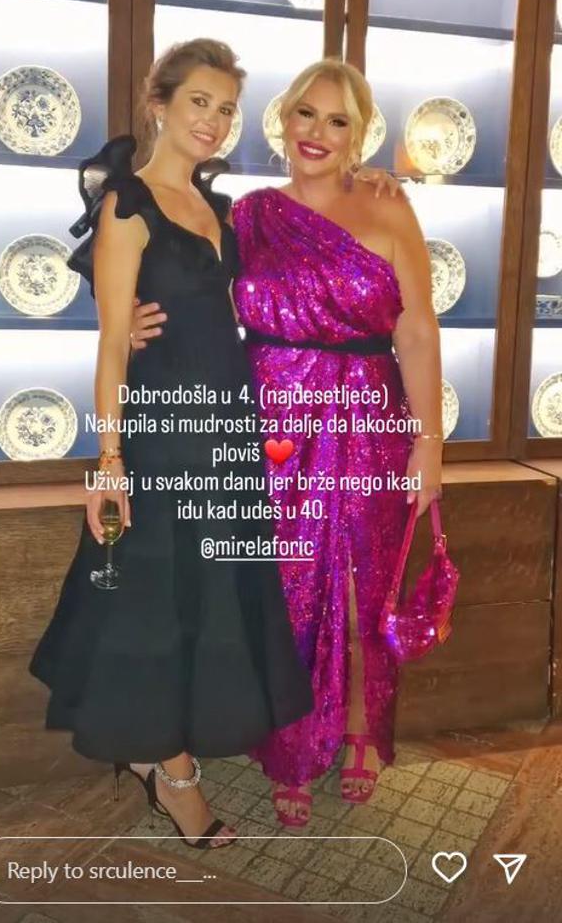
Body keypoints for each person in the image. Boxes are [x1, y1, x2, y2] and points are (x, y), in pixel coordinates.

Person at [130, 57, 443, 827]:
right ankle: (289, 746)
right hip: (270, 422)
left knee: (365, 581)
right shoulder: (247, 214)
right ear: (283, 119)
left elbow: (417, 333)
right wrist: (128, 320)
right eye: (307, 113)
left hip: (368, 418)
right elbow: (186, 282)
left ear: (359, 135)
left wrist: (429, 443)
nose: (318, 132)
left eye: (338, 121)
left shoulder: (389, 206)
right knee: (283, 585)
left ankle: (360, 730)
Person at [29, 38, 314, 850]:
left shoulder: (219, 209)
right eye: (199, 102)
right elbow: (112, 346)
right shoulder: (129, 205)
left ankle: (162, 750)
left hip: (226, 424)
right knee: (154, 595)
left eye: (226, 109)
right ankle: (173, 770)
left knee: (205, 590)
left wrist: (371, 181)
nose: (214, 121)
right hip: (162, 433)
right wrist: (108, 464)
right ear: (159, 104)